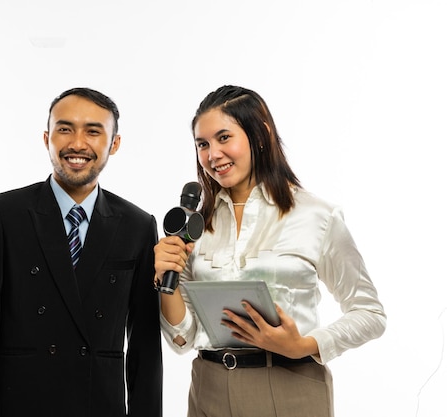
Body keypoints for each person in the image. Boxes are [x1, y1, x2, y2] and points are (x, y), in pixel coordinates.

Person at [154, 85, 386, 417]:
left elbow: (370, 313)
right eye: (202, 144)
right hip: (209, 389)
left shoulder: (315, 216)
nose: (212, 155)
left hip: (290, 385)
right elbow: (183, 339)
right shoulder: (197, 226)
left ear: (260, 134)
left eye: (223, 138)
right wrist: (167, 280)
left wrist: (305, 345)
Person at [0, 87, 162, 417]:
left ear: (114, 143)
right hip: (21, 404)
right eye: (64, 129)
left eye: (93, 131)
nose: (77, 144)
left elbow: (145, 348)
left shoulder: (137, 225)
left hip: (101, 406)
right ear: (46, 138)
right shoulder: (4, 213)